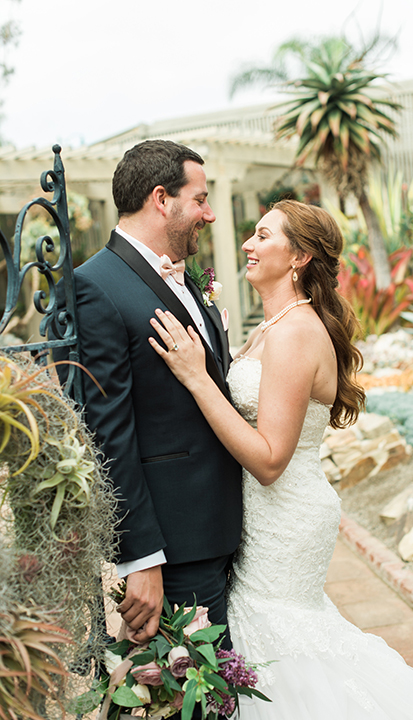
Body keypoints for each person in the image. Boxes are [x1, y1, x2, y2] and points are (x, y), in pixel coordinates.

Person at [149, 199, 413, 719]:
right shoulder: (272, 328)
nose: (247, 245)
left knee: (283, 643)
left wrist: (196, 377)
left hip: (286, 512)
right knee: (278, 641)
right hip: (268, 512)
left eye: (262, 236)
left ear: (299, 256)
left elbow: (270, 459)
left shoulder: (296, 333)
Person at [54, 139, 242, 649]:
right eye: (200, 200)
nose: (209, 214)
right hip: (173, 549)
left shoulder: (184, 279)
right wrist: (141, 559)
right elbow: (105, 432)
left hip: (220, 531)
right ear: (162, 199)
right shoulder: (94, 287)